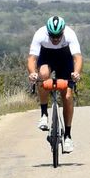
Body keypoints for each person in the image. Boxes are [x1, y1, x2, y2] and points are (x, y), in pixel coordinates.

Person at [27, 15, 83, 153]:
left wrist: (76, 73)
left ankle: (68, 136)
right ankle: (44, 114)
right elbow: (32, 59)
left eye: (59, 36)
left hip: (65, 60)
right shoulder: (40, 34)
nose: (56, 39)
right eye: (53, 36)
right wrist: (32, 73)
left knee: (68, 96)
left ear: (63, 31)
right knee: (43, 75)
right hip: (47, 58)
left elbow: (77, 58)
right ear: (48, 32)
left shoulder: (70, 34)